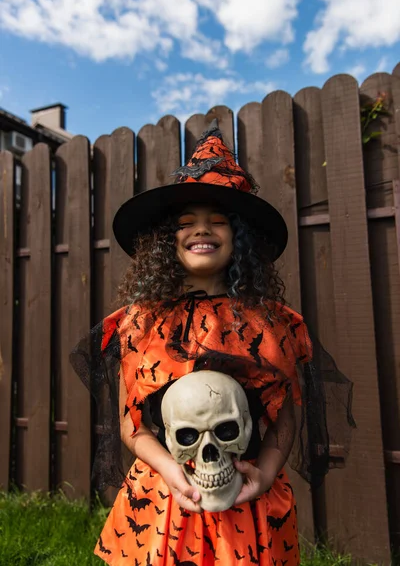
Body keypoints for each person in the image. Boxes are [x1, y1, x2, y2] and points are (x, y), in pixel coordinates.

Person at [71, 120, 354, 566]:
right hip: (164, 499)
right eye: (186, 224)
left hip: (248, 501)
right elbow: (133, 425)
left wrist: (263, 474)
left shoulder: (269, 323)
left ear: (239, 237)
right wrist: (169, 470)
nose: (200, 231)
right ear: (168, 241)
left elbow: (286, 418)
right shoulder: (140, 323)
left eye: (216, 222)